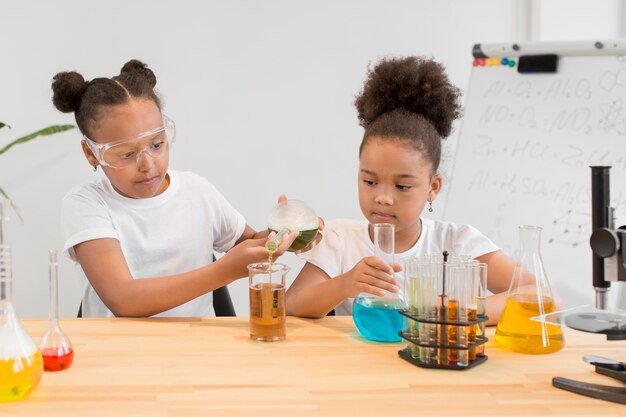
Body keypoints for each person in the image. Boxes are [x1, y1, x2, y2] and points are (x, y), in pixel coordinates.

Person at [53, 59, 304, 318]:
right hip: (120, 353)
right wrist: (224, 271)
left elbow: (252, 244)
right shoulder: (86, 204)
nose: (147, 164)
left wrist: (289, 231)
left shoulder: (196, 191)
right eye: (127, 154)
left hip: (195, 349)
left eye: (158, 144)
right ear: (91, 154)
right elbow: (123, 299)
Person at [286, 56, 515, 325]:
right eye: (369, 182)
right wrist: (345, 284)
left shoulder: (457, 243)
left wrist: (457, 312)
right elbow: (291, 306)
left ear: (433, 187)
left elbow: (541, 296)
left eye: (402, 186)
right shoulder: (341, 237)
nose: (382, 197)